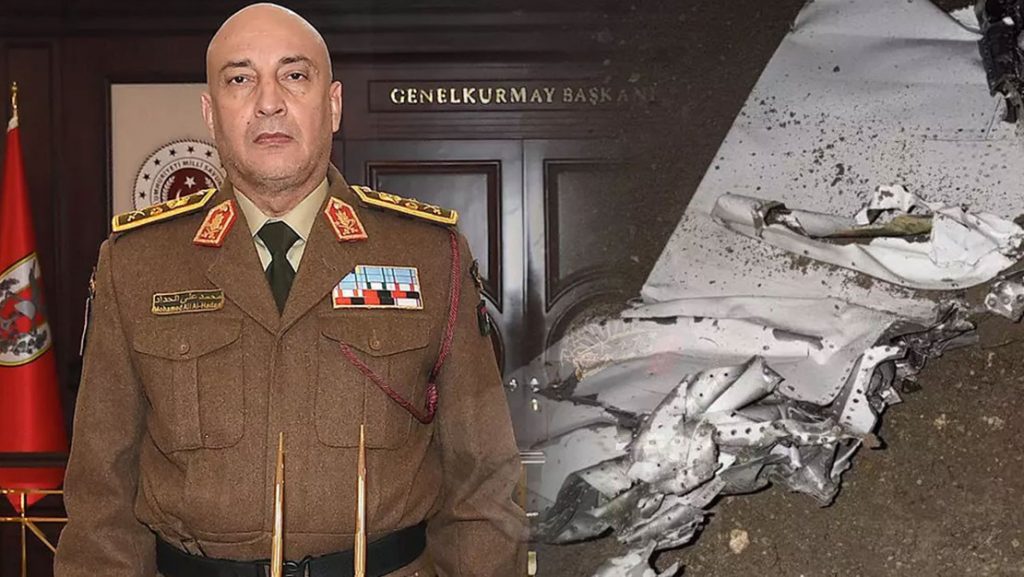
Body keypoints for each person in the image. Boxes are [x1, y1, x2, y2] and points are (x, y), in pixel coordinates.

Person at [53, 4, 527, 576]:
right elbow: (100, 499)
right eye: (240, 79)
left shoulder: (427, 255)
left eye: (294, 75)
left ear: (334, 105)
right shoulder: (138, 264)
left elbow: (483, 482)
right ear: (210, 112)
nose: (268, 102)